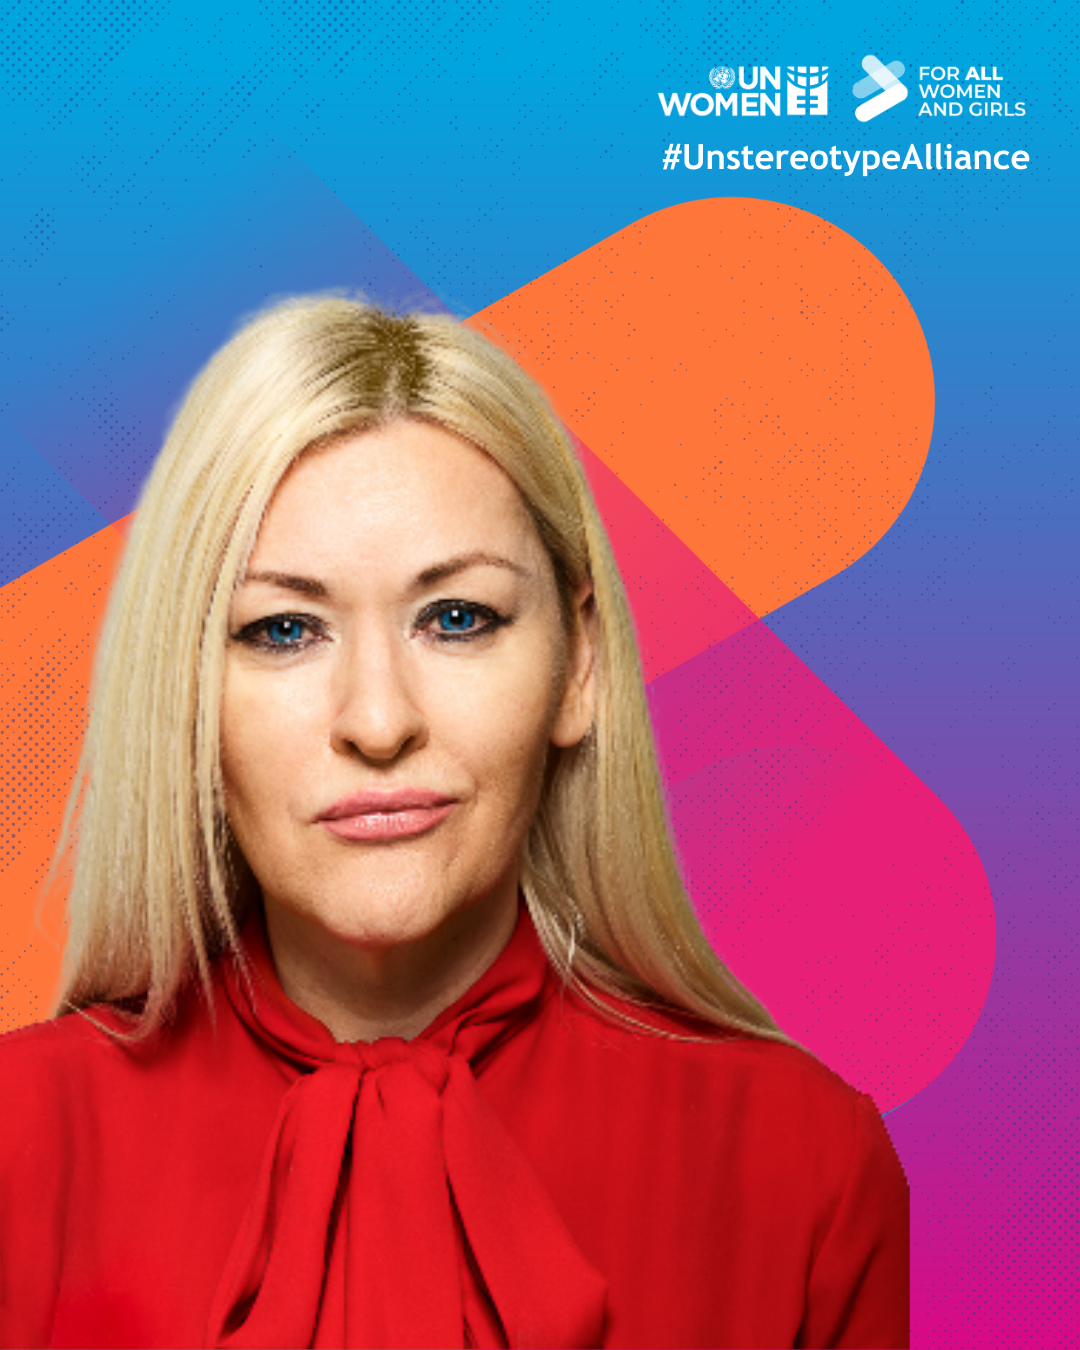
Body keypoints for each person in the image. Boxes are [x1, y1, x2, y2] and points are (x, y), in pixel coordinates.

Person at [0, 298, 908, 1349]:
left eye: (458, 618)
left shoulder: (803, 1166)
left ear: (578, 666)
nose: (379, 721)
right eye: (282, 629)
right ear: (187, 696)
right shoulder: (19, 1143)